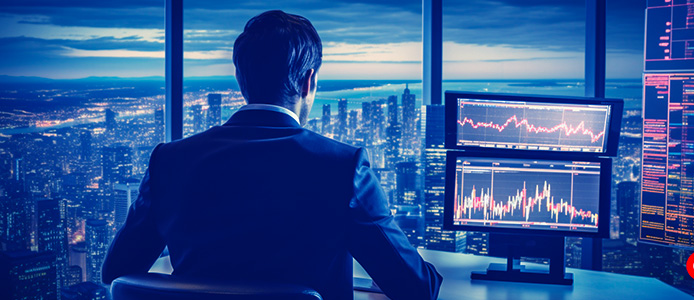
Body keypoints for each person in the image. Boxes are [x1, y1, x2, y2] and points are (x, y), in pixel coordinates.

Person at [101, 10, 442, 300]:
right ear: (309, 82)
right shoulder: (342, 167)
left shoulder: (169, 161)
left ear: (240, 79)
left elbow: (117, 271)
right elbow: (416, 289)